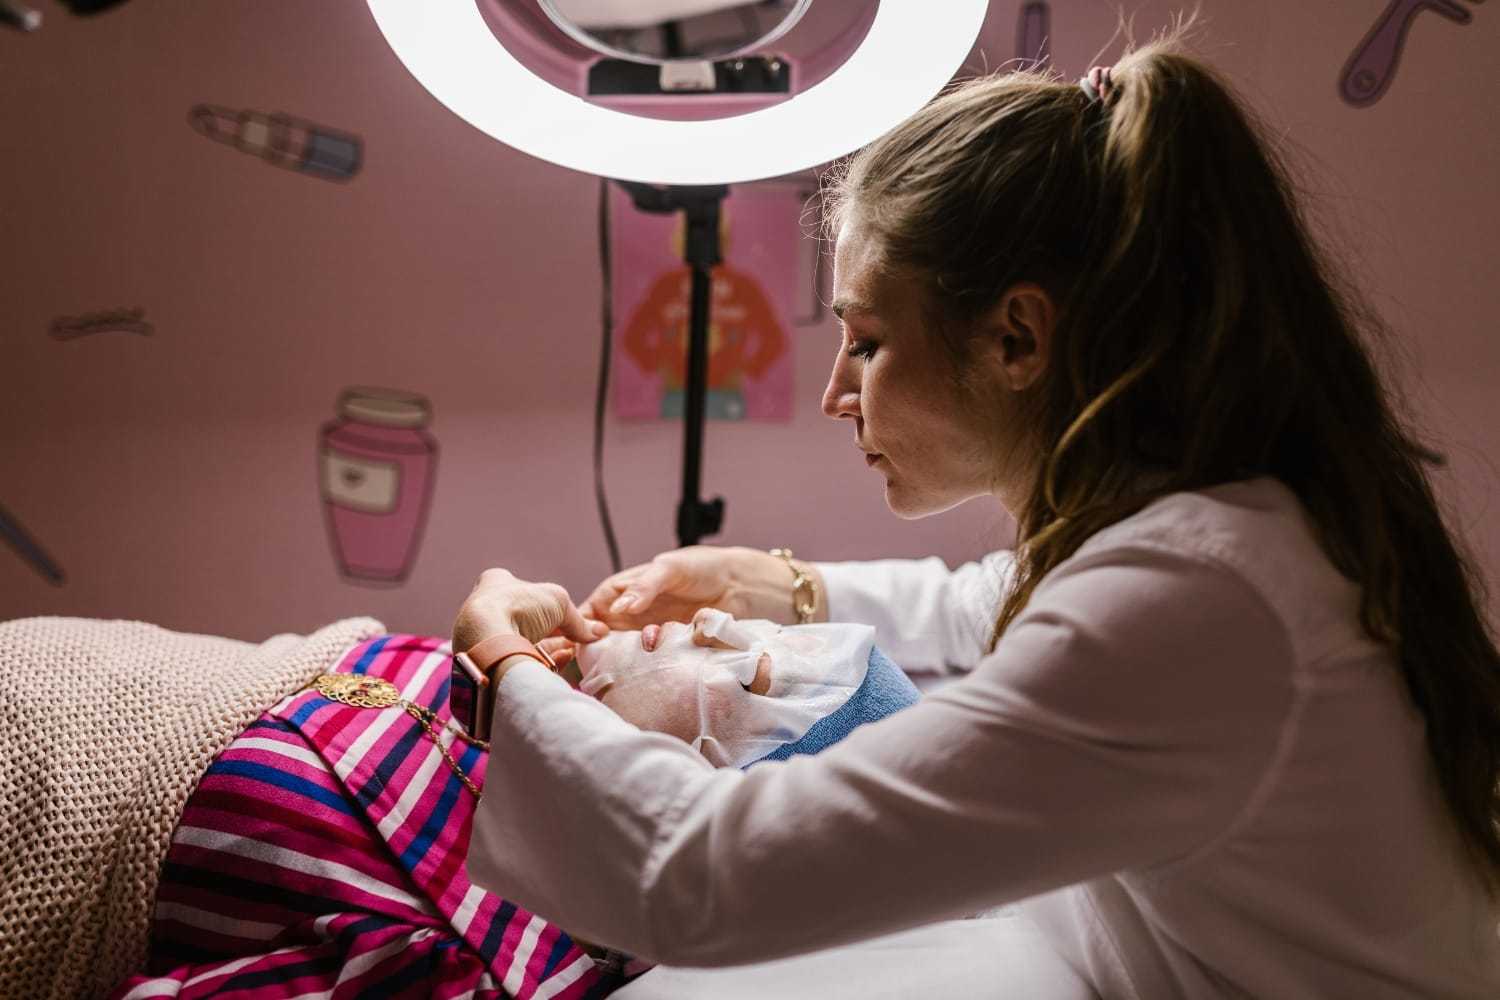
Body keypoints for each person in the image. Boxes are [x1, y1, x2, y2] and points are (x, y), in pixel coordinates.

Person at [454, 34, 1500, 999]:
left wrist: (505, 678)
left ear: (1016, 339)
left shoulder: (1194, 597)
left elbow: (713, 871)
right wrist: (775, 584)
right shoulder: (1221, 526)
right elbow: (987, 605)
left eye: (866, 340)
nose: (836, 393)